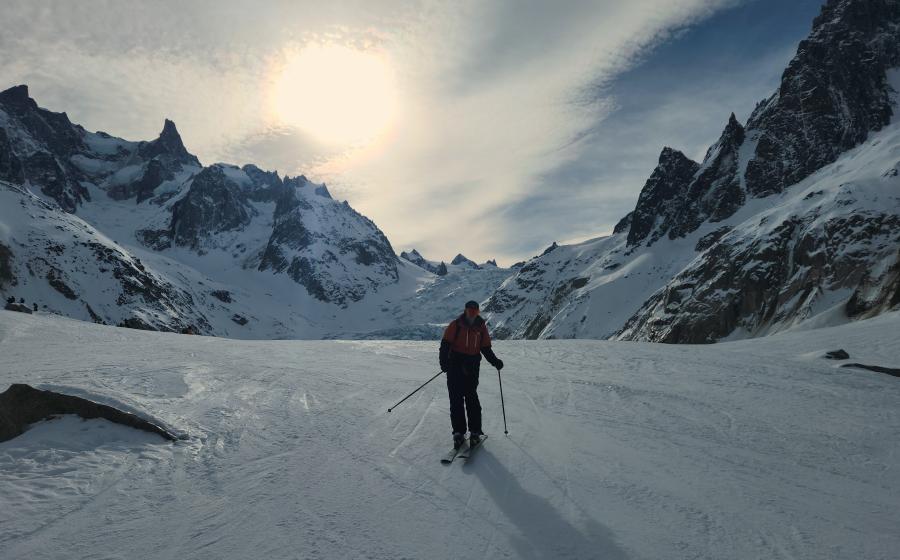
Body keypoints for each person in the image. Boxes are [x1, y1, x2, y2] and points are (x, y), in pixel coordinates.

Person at [439, 300, 504, 449]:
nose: (472, 314)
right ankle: (458, 432)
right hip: (455, 366)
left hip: (472, 367)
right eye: (470, 311)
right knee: (456, 400)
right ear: (465, 311)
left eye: (475, 311)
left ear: (478, 312)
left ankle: (475, 431)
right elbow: (445, 345)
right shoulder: (455, 325)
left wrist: (495, 362)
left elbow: (485, 348)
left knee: (471, 399)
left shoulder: (481, 327)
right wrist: (444, 363)